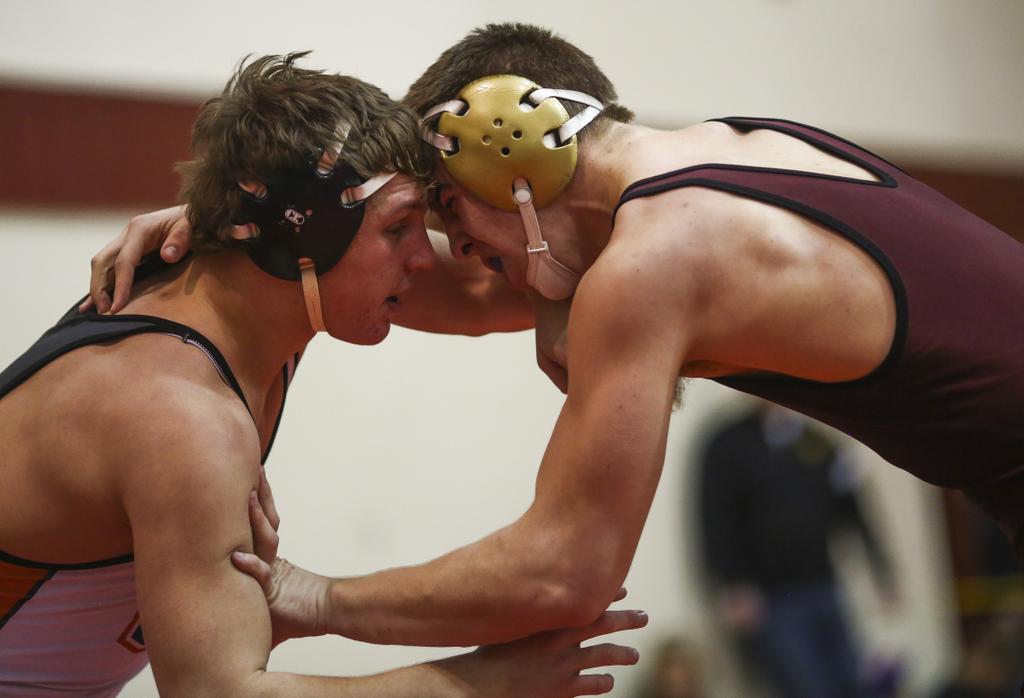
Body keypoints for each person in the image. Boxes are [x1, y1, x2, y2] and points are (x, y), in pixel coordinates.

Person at [90, 20, 1024, 661]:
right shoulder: (741, 149)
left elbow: (562, 574)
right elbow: (453, 288)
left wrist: (315, 597)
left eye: (453, 216)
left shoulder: (658, 261)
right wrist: (248, 230)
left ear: (516, 147)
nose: (458, 257)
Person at [0, 53, 645, 696]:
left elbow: (500, 284)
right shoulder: (177, 412)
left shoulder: (262, 291)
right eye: (400, 228)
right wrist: (482, 682)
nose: (427, 257)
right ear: (297, 241)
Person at [698, 402, 895, 698]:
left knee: (852, 680)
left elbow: (851, 506)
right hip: (772, 598)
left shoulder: (815, 440)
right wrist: (732, 583)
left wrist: (881, 567)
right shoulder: (728, 443)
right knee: (805, 687)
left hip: (824, 584)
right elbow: (715, 518)